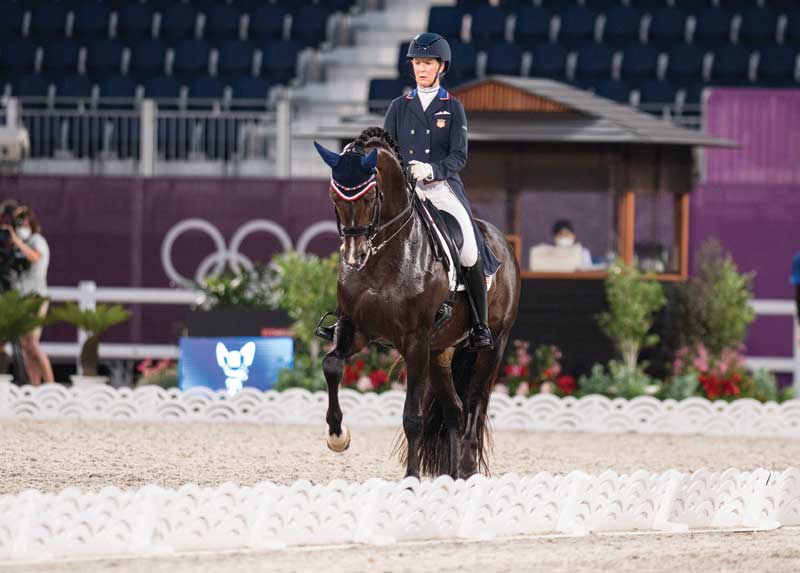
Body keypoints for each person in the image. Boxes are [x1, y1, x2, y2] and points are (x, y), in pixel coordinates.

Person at [383, 32, 500, 351]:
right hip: (405, 191)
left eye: (427, 63)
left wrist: (431, 169)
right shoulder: (398, 107)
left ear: (440, 67)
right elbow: (386, 149)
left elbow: (459, 156)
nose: (421, 69)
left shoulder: (453, 108)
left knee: (470, 249)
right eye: (417, 63)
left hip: (440, 187)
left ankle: (479, 324)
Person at [4, 205, 54, 385]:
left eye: (21, 219)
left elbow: (35, 257)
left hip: (35, 299)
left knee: (32, 344)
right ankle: (35, 387)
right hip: (23, 299)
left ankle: (50, 384)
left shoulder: (37, 240)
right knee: (26, 347)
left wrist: (16, 241)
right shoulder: (21, 244)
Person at [528, 219, 592, 272]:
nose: (564, 237)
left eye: (567, 234)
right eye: (560, 234)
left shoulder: (583, 252)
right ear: (555, 237)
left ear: (573, 236)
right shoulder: (545, 252)